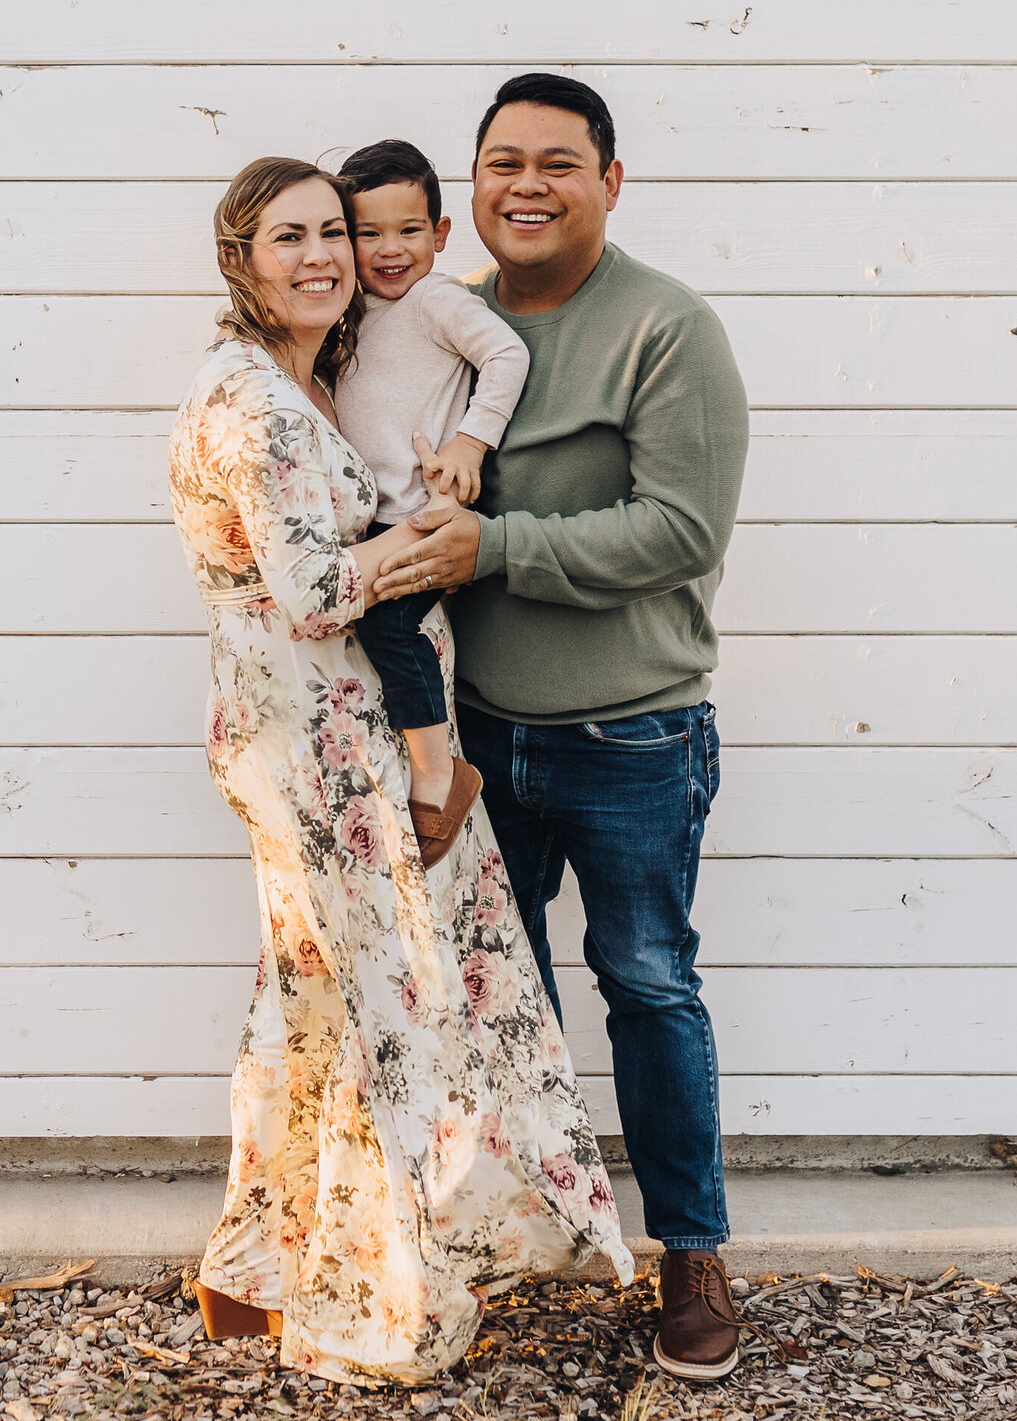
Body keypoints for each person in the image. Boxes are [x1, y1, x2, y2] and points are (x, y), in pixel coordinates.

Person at [166, 155, 633, 1387]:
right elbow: (316, 591)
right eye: (292, 239)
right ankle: (369, 1295)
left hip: (321, 740)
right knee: (377, 1009)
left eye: (335, 232)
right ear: (242, 258)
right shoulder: (260, 408)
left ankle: (258, 1269)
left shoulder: (294, 382)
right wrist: (429, 542)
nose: (323, 256)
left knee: (313, 1003)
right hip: (319, 759)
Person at [372, 76, 754, 1381]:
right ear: (468, 187)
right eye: (500, 164)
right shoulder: (442, 321)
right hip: (481, 738)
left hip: (632, 739)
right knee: (487, 1001)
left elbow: (681, 531)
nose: (525, 186)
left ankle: (691, 1256)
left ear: (610, 180)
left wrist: (492, 544)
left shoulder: (666, 330)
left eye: (557, 163)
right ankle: (499, 1242)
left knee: (648, 987)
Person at [334, 137, 532, 867]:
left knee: (393, 628)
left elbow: (508, 355)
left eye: (409, 230)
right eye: (368, 233)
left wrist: (471, 444)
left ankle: (439, 773)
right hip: (369, 514)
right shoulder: (353, 310)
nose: (390, 250)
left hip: (415, 509)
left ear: (440, 235)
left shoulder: (434, 299)